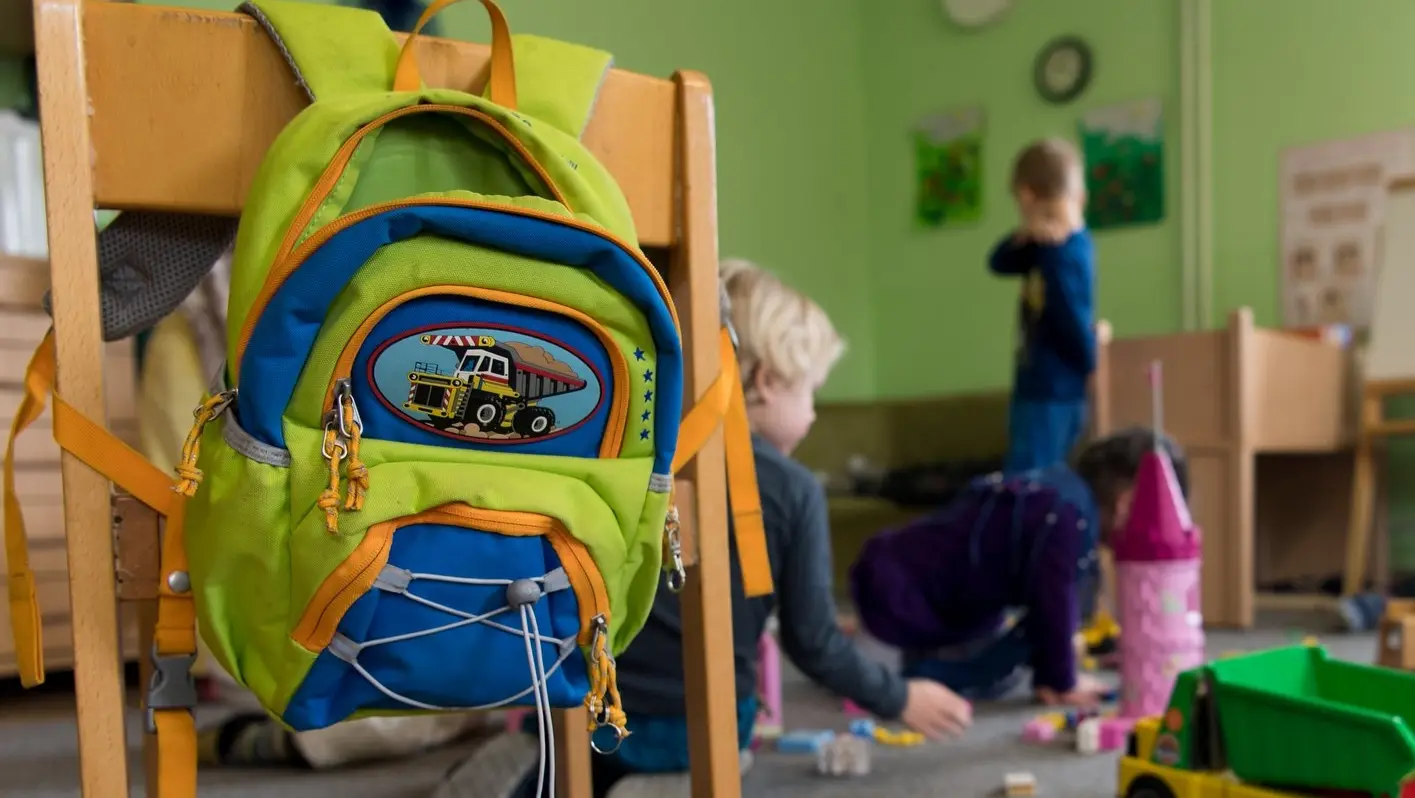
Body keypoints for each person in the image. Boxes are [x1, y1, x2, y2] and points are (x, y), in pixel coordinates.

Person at [437, 259, 973, 798]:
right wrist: (900, 697)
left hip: (584, 699)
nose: (813, 414)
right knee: (716, 744)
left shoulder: (633, 454)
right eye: (811, 392)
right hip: (696, 725)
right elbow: (816, 644)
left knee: (557, 750)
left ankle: (544, 763)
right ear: (766, 382)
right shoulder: (794, 490)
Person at [850, 428, 1188, 708]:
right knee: (879, 686)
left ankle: (884, 648)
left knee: (1002, 672)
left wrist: (1051, 672)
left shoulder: (1067, 497)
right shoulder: (1068, 516)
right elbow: (1053, 602)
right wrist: (1063, 679)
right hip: (895, 591)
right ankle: (862, 648)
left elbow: (1052, 610)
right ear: (1126, 501)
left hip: (943, 598)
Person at [989, 138, 1097, 474]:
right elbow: (998, 262)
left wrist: (1091, 361)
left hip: (1053, 390)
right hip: (1036, 385)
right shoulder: (1041, 246)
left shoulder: (1066, 252)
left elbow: (1073, 317)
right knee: (1032, 476)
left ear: (1025, 196)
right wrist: (1024, 235)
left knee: (1029, 482)